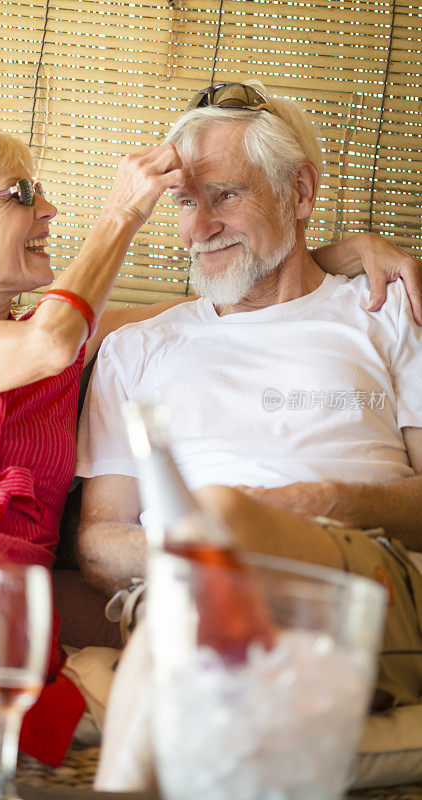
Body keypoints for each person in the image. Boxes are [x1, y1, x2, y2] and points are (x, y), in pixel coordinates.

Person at [0, 117, 415, 780]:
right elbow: (45, 343)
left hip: (8, 594)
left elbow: (242, 295)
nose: (48, 208)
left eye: (224, 195)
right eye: (21, 194)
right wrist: (123, 210)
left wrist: (339, 250)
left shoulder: (84, 338)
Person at [76, 81, 422, 715]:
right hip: (183, 601)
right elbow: (99, 539)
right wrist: (215, 550)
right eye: (182, 202)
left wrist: (309, 506)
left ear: (300, 192)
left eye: (225, 196)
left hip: (359, 580)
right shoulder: (135, 349)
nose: (197, 228)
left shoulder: (386, 309)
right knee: (212, 592)